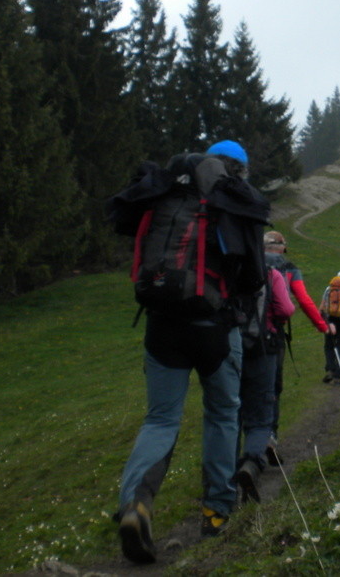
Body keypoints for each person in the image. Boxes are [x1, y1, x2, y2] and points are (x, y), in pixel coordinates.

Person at [115, 140, 264, 564]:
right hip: (214, 328)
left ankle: (135, 504)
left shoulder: (167, 193)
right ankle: (217, 510)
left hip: (162, 324)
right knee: (221, 413)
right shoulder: (232, 198)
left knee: (160, 418)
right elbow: (253, 276)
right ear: (239, 169)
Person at [261, 231, 334, 460]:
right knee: (273, 387)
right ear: (282, 247)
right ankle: (269, 437)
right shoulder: (288, 268)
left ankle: (236, 450)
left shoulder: (249, 260)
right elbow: (303, 299)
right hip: (273, 334)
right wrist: (322, 326)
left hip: (241, 332)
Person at [234, 263, 294, 502]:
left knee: (230, 413)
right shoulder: (271, 273)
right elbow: (286, 309)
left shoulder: (230, 269)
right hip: (263, 348)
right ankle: (251, 462)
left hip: (232, 346)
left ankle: (225, 475)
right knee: (262, 413)